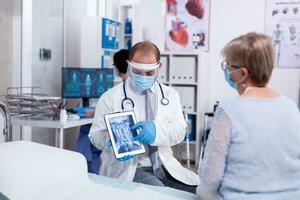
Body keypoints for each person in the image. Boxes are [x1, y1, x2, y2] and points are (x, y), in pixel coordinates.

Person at [196, 32, 300, 199]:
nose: (226, 70)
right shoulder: (291, 107)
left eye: (228, 66)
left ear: (242, 74)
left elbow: (210, 178)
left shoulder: (229, 109)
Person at [89, 41, 199, 193]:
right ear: (129, 65)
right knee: (163, 195)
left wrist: (156, 131)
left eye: (149, 73)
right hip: (132, 169)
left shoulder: (169, 95)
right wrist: (110, 142)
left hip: (165, 166)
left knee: (199, 192)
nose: (143, 76)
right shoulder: (110, 97)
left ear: (159, 67)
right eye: (138, 71)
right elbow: (95, 134)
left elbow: (180, 130)